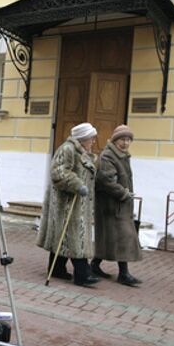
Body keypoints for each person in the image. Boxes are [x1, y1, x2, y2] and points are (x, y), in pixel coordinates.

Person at [37, 122, 99, 287]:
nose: (93, 142)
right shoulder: (68, 149)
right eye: (91, 138)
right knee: (75, 236)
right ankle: (82, 275)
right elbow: (59, 172)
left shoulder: (80, 151)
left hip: (77, 202)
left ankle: (57, 268)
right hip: (66, 202)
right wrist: (77, 184)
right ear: (83, 138)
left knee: (63, 235)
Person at [92, 125, 142, 286]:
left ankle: (94, 265)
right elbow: (106, 181)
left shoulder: (122, 156)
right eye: (122, 139)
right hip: (111, 205)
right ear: (115, 140)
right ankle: (123, 273)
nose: (126, 143)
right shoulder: (108, 156)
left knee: (110, 238)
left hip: (120, 205)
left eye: (128, 140)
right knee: (123, 238)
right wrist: (123, 193)